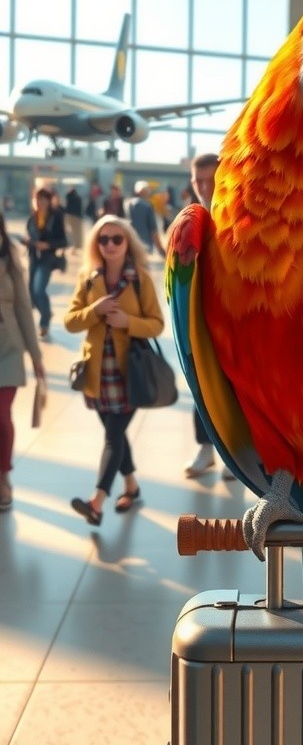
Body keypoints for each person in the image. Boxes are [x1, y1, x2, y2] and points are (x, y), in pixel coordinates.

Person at [64, 215, 164, 526]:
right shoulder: (89, 278)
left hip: (129, 375)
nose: (109, 244)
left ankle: (96, 502)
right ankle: (131, 487)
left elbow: (157, 324)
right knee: (116, 435)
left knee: (112, 437)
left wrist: (128, 323)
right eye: (103, 239)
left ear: (128, 243)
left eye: (116, 239)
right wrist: (94, 312)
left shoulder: (140, 281)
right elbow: (70, 321)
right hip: (97, 375)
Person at [183, 152, 234, 480]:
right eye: (197, 181)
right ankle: (206, 446)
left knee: (237, 389)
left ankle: (235, 453)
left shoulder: (236, 215)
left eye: (209, 180)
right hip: (201, 318)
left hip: (236, 320)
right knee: (202, 385)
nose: (203, 187)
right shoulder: (194, 218)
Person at [0, 212, 46, 510]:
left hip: (8, 351)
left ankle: (3, 477)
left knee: (1, 418)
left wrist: (36, 356)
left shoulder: (10, 258)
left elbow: (24, 308)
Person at [22, 187, 68, 339]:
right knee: (32, 294)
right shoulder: (32, 218)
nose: (40, 203)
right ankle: (47, 313)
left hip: (47, 259)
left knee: (39, 290)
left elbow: (63, 241)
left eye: (43, 199)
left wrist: (48, 245)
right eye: (37, 200)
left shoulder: (56, 216)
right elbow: (30, 235)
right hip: (33, 258)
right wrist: (27, 241)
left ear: (48, 201)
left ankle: (44, 323)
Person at [126, 181, 165, 258]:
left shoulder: (128, 204)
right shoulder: (147, 206)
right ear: (141, 191)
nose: (148, 192)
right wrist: (161, 250)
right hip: (145, 246)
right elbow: (153, 230)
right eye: (146, 190)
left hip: (130, 244)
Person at [64, 185, 83, 252]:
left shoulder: (68, 196)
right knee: (78, 231)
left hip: (70, 215)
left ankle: (73, 245)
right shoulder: (79, 197)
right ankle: (78, 245)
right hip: (77, 216)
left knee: (71, 231)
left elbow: (67, 206)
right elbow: (80, 208)